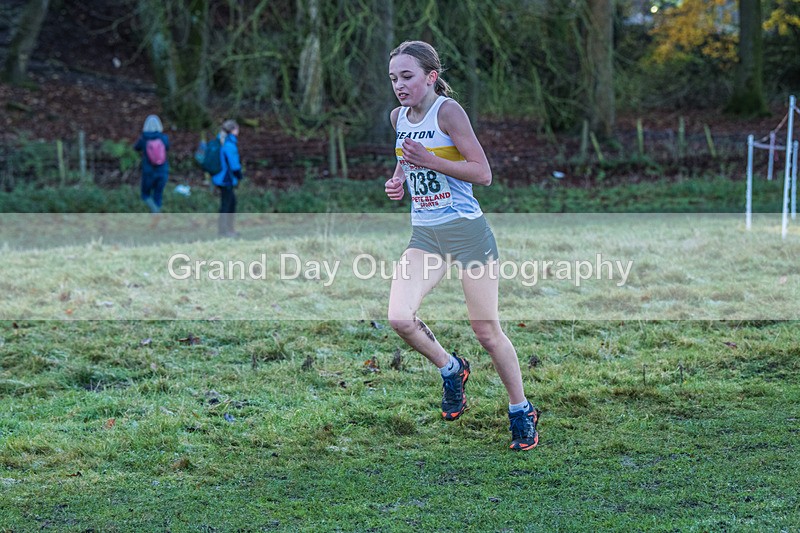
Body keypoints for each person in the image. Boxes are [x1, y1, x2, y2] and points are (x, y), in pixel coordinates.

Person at [384, 41, 538, 451]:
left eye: (407, 77)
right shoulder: (398, 116)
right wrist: (398, 178)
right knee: (400, 318)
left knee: (486, 330)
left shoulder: (448, 112)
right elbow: (406, 152)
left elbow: (482, 173)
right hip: (426, 235)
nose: (399, 86)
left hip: (467, 233)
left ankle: (521, 410)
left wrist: (430, 160)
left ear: (431, 77)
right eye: (394, 78)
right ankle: (452, 370)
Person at [211, 119, 243, 237]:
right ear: (233, 130)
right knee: (228, 204)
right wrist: (239, 175)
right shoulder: (229, 145)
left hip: (219, 177)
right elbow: (234, 164)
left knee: (229, 203)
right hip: (226, 178)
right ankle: (225, 231)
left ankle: (226, 230)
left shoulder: (220, 141)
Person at [134, 114, 169, 214]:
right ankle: (156, 216)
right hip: (162, 171)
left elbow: (136, 148)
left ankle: (155, 212)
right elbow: (167, 148)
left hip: (148, 172)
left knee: (145, 194)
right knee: (158, 194)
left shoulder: (144, 139)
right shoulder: (164, 138)